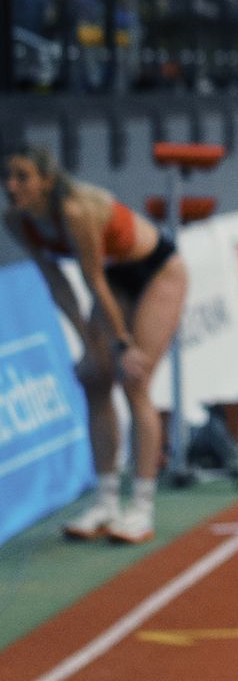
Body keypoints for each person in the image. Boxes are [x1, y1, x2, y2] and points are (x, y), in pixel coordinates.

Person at [3, 146, 185, 545]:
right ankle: (105, 500)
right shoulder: (16, 220)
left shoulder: (75, 212)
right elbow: (56, 281)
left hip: (156, 272)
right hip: (114, 280)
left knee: (134, 380)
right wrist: (86, 340)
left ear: (47, 181)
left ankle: (141, 505)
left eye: (22, 176)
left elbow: (92, 280)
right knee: (91, 377)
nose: (11, 186)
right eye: (7, 177)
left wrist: (121, 344)